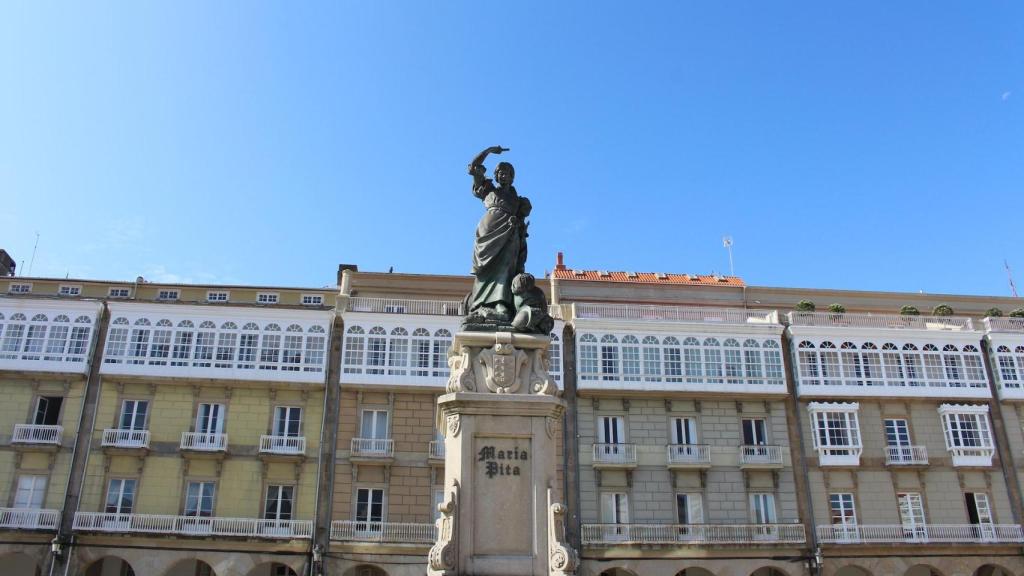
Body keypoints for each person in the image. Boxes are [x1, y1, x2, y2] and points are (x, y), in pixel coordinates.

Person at [465, 146, 531, 323]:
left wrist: (519, 230)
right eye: (500, 172)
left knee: (506, 266)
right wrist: (488, 151)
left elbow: (523, 225)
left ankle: (501, 304)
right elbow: (473, 167)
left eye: (507, 173)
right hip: (490, 229)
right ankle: (479, 305)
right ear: (495, 176)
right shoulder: (488, 190)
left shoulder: (518, 200)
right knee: (485, 269)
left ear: (512, 177)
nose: (503, 175)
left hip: (510, 233)